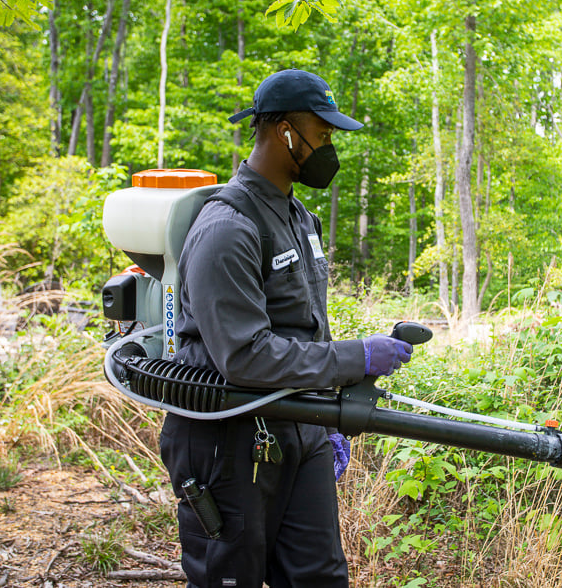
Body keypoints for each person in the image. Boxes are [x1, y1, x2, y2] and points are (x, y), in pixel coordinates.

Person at [160, 69, 414, 588]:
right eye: (322, 135)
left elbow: (302, 329)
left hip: (298, 425)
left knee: (318, 576)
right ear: (284, 133)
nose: (328, 149)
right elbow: (245, 356)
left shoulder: (298, 217)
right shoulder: (228, 228)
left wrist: (320, 416)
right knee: (231, 579)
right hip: (227, 440)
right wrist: (355, 358)